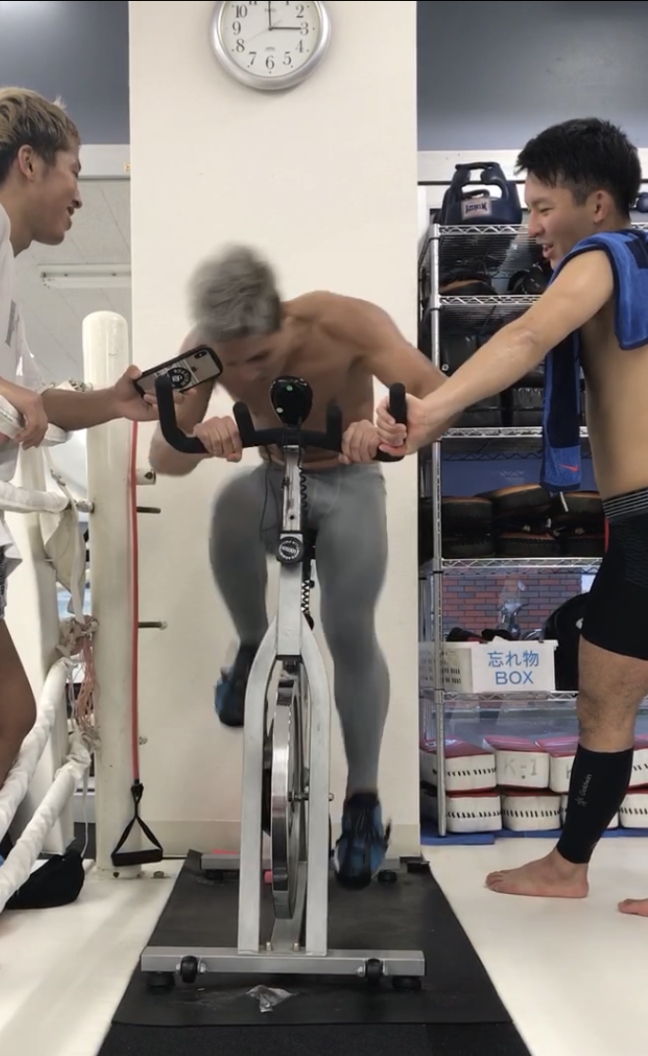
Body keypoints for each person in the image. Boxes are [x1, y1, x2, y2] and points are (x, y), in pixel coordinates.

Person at [376, 116, 648, 916]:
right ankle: (568, 864)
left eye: (542, 209)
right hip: (636, 520)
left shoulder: (605, 255)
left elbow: (529, 334)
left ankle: (567, 866)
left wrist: (432, 412)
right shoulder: (635, 262)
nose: (532, 229)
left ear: (597, 205)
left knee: (606, 695)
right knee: (607, 691)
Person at [0, 88, 157, 982]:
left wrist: (116, 401)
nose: (78, 193)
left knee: (7, 717)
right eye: (73, 170)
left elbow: (36, 405)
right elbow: (5, 394)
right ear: (28, 162)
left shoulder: (0, 280)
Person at [149, 244, 445, 887]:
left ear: (282, 316)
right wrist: (202, 439)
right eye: (231, 365)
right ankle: (251, 646)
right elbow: (162, 458)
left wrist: (387, 429)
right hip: (271, 477)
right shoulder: (200, 351)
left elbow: (440, 399)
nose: (244, 375)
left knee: (348, 629)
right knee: (231, 506)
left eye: (259, 358)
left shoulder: (344, 322)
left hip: (350, 479)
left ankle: (362, 802)